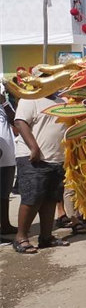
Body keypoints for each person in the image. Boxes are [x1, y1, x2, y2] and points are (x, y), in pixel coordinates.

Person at [12, 93, 71, 254]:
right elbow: (20, 122)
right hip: (33, 157)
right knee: (32, 197)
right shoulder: (30, 99)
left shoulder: (61, 101)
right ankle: (21, 237)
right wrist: (34, 147)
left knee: (51, 198)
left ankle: (46, 237)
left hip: (56, 158)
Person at [1, 87, 17, 238]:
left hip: (8, 157)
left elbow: (15, 121)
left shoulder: (5, 104)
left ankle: (5, 225)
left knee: (4, 193)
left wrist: (4, 102)